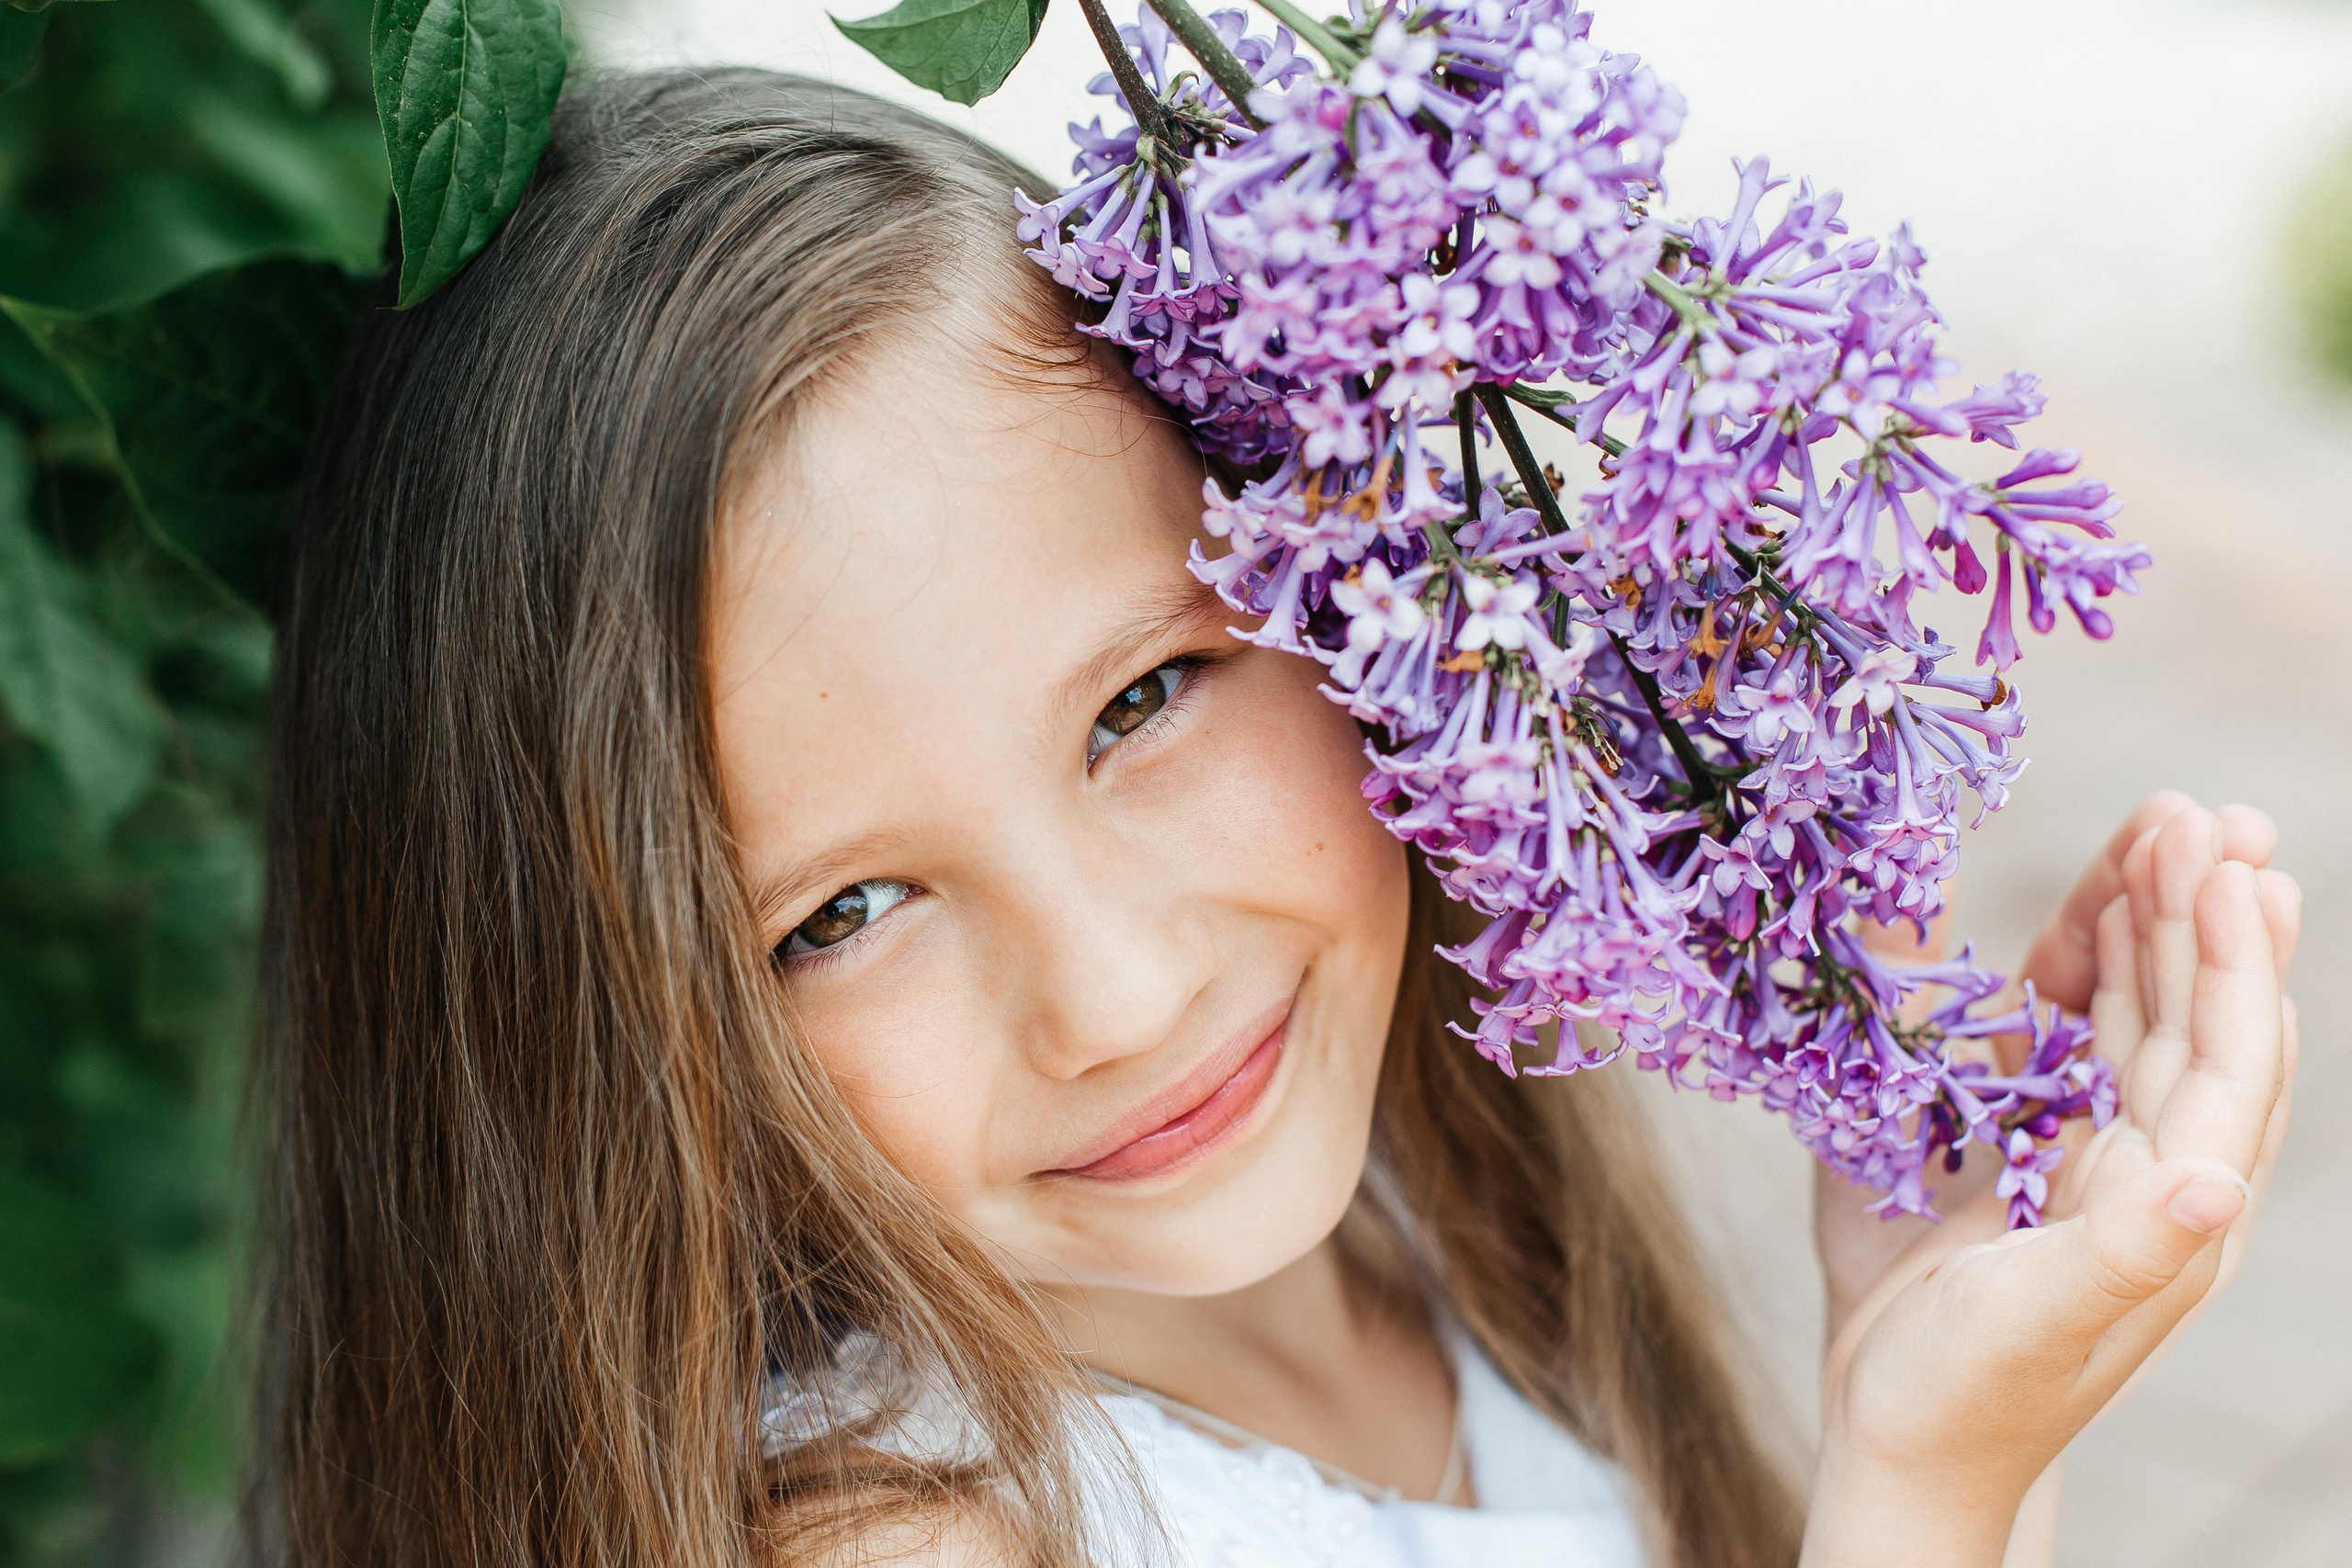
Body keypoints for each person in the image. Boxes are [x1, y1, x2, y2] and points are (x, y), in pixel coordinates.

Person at [244, 69, 2302, 1568]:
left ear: (1359, 595)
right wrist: (1920, 1498)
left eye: (1142, 699)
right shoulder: (902, 1539)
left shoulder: (1412, 1234)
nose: (1121, 990)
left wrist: (1926, 1387)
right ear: (579, 1028)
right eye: (844, 907)